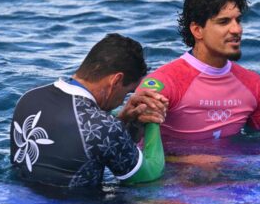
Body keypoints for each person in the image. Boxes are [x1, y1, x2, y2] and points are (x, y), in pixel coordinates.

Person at [10, 33, 168, 188]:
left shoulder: (29, 97)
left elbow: (75, 134)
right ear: (116, 80)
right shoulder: (106, 127)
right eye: (127, 92)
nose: (122, 101)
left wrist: (122, 118)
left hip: (20, 198)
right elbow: (147, 176)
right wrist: (153, 118)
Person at [132, 0, 260, 142]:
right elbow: (132, 144)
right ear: (197, 30)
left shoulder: (254, 85)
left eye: (237, 20)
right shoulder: (164, 84)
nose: (237, 29)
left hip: (237, 165)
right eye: (224, 22)